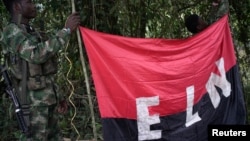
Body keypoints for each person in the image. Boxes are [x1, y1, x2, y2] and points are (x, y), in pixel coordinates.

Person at [1, 0, 80, 140]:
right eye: (29, 2)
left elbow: (44, 70)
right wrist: (66, 31)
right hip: (32, 105)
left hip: (47, 100)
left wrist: (58, 96)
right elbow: (36, 55)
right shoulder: (11, 32)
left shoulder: (30, 31)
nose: (34, 5)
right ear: (17, 6)